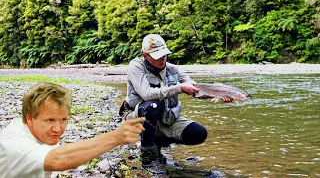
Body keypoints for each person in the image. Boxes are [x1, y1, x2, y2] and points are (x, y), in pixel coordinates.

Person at [119, 34, 233, 175]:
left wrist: (219, 94)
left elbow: (195, 89)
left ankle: (158, 145)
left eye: (164, 55)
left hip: (165, 118)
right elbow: (146, 94)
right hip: (136, 118)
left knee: (199, 133)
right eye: (157, 56)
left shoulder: (173, 69)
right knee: (152, 105)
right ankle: (147, 158)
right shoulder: (136, 66)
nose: (162, 59)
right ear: (145, 55)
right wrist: (180, 88)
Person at [0, 82, 146, 178]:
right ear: (30, 118)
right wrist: (116, 137)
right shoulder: (15, 144)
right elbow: (59, 160)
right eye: (50, 120)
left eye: (63, 120)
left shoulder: (32, 130)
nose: (58, 129)